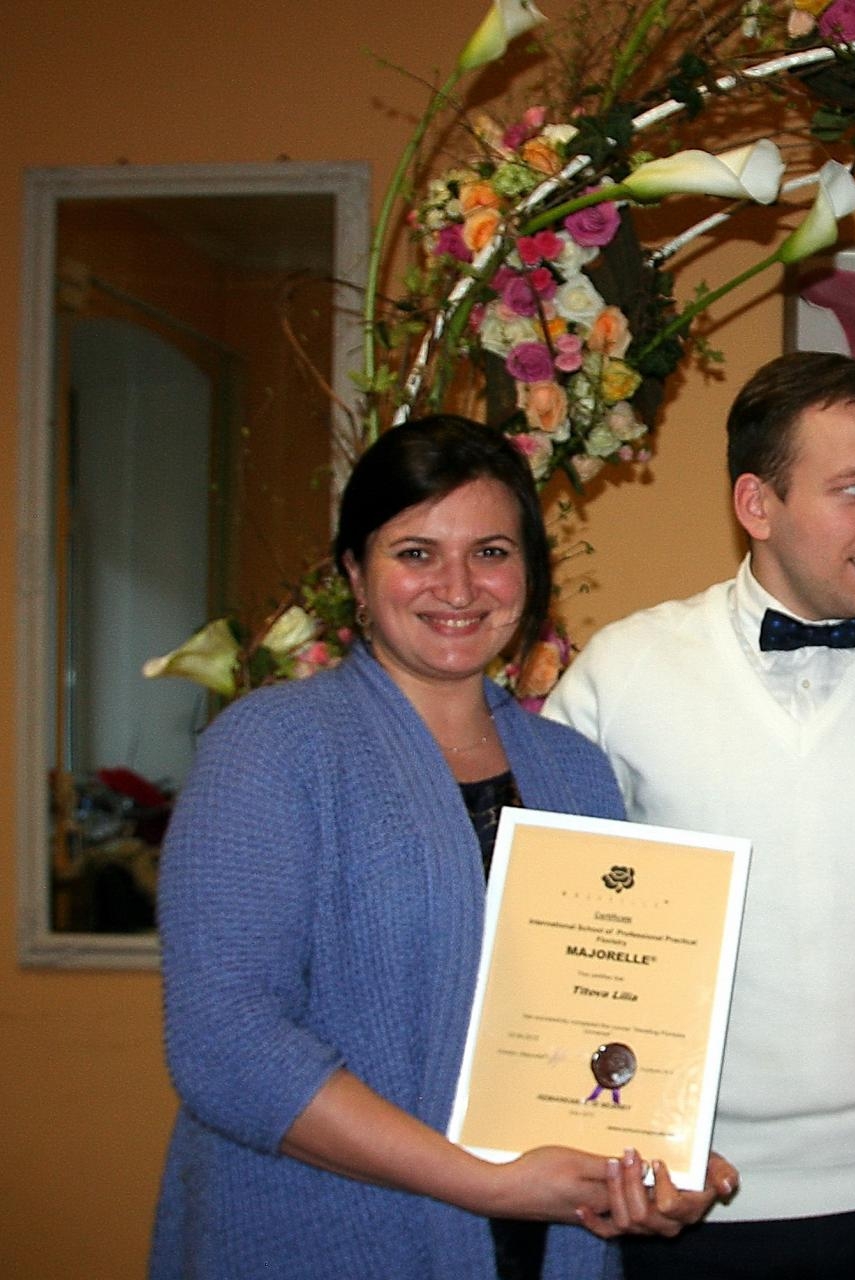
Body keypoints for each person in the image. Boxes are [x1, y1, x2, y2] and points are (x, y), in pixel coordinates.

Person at [151, 417, 734, 1280]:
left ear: (529, 573)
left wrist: (653, 1155)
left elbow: (604, 1009)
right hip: (328, 1241)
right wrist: (486, 1184)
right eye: (416, 552)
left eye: (490, 552)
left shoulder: (573, 769)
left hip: (549, 1244)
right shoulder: (273, 748)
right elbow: (227, 1046)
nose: (458, 586)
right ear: (356, 573)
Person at [544, 352, 855, 1279]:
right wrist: (611, 1138)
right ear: (757, 504)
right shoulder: (621, 673)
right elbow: (552, 931)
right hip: (682, 1189)